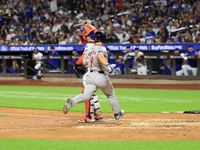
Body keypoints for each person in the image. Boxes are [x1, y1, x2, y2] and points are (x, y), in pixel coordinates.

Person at [63, 31, 124, 120]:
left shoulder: (89, 49)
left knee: (86, 95)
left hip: (90, 76)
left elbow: (84, 62)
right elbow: (99, 56)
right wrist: (107, 66)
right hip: (100, 76)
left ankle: (72, 102)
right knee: (110, 94)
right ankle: (117, 113)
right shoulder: (101, 48)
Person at [72, 24, 103, 123]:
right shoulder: (95, 44)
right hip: (96, 71)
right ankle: (97, 113)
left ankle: (89, 116)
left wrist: (76, 64)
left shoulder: (90, 45)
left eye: (83, 32)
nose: (82, 34)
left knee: (86, 92)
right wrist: (82, 36)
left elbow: (84, 55)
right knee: (91, 92)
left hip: (89, 71)